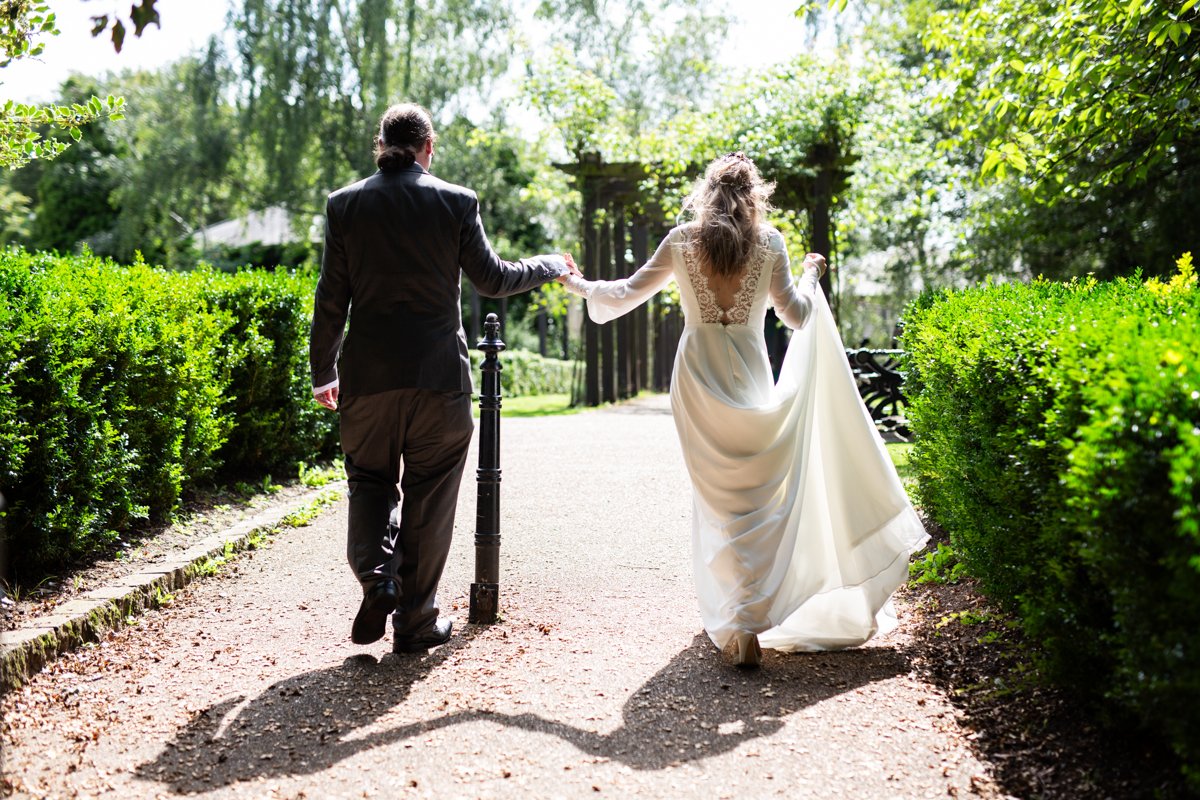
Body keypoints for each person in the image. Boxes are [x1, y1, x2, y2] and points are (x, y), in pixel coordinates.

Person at [558, 152, 929, 667]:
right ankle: (749, 619)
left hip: (697, 380)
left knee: (720, 499)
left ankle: (741, 622)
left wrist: (576, 284)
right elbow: (798, 318)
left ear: (707, 194)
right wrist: (811, 274)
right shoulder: (771, 242)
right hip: (752, 375)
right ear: (755, 194)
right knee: (757, 497)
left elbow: (624, 294)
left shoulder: (682, 240)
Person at [309, 103, 579, 652]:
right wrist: (551, 263)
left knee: (368, 482)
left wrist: (323, 372)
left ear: (380, 146)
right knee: (430, 496)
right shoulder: (456, 201)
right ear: (428, 148)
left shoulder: (344, 205)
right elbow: (494, 279)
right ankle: (415, 623)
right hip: (439, 379)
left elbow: (330, 300)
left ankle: (377, 577)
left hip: (368, 379)